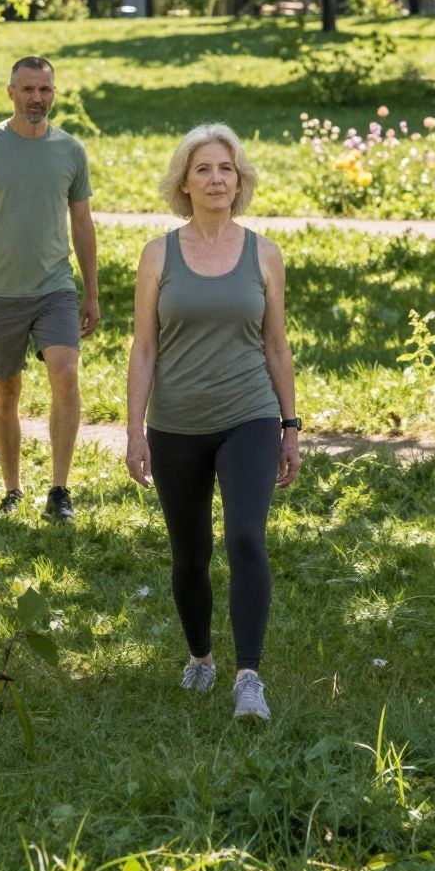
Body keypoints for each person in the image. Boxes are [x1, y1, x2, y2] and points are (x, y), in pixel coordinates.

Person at [124, 124, 301, 723]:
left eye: (226, 168)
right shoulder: (158, 254)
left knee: (247, 536)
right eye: (203, 169)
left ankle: (248, 676)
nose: (216, 179)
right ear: (184, 182)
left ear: (240, 179)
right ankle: (201, 657)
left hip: (247, 415)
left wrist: (290, 426)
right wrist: (133, 431)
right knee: (190, 554)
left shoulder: (264, 253)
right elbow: (143, 348)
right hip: (175, 422)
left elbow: (277, 346)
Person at [0, 57, 97, 521]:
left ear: (55, 92)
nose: (38, 98)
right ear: (11, 92)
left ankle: (59, 489)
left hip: (55, 286)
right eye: (29, 89)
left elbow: (82, 222)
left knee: (65, 372)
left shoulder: (70, 150)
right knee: (4, 391)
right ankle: (12, 489)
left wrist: (90, 290)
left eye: (46, 89)